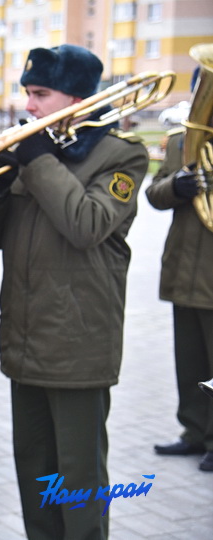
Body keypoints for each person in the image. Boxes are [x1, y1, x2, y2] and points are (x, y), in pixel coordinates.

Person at [0, 44, 149, 538]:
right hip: (26, 342)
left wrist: (38, 160)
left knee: (80, 478)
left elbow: (86, 224)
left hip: (79, 346)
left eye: (40, 94)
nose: (28, 105)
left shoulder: (122, 155)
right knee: (36, 471)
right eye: (27, 92)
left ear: (78, 97)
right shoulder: (38, 152)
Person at [145, 66, 213, 473]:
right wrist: (177, 187)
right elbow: (154, 193)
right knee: (187, 362)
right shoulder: (178, 142)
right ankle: (192, 433)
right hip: (182, 272)